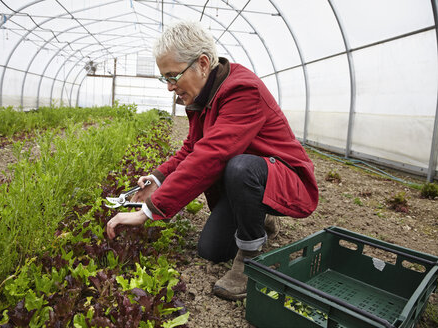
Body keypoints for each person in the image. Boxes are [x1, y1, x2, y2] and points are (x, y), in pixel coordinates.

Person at [106, 20, 318, 301]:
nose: (170, 87)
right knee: (212, 250)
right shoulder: (202, 97)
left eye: (173, 76)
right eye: (164, 78)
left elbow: (212, 154)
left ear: (203, 64)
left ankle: (250, 258)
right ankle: (260, 218)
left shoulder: (243, 90)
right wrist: (158, 178)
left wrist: (149, 211)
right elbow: (193, 148)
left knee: (239, 166)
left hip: (284, 179)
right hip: (248, 180)